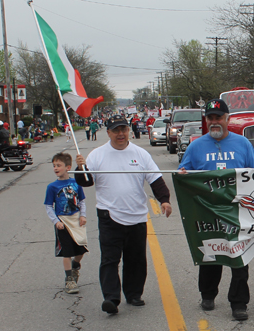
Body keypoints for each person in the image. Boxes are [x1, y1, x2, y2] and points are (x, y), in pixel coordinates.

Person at [75, 114, 172, 315]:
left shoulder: (141, 154)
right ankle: (111, 298)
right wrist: (80, 168)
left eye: (124, 129)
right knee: (110, 259)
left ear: (128, 130)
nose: (121, 134)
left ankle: (134, 294)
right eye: (116, 130)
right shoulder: (97, 155)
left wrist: (164, 200)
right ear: (108, 132)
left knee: (136, 259)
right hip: (109, 215)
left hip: (136, 215)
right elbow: (86, 181)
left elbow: (155, 179)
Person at [178, 99, 254, 321]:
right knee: (211, 254)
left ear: (228, 119)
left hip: (237, 211)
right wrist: (183, 174)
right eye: (210, 118)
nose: (214, 122)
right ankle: (207, 294)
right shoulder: (196, 146)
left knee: (239, 257)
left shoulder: (242, 144)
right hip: (207, 210)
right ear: (206, 121)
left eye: (218, 117)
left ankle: (239, 303)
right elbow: (182, 172)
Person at [44, 153, 88, 294]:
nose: (55, 168)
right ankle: (69, 280)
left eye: (58, 165)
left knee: (81, 247)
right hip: (63, 221)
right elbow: (48, 206)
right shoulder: (52, 187)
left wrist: (83, 215)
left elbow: (81, 201)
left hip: (76, 219)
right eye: (54, 166)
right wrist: (56, 221)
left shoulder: (76, 183)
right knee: (67, 252)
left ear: (68, 167)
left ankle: (76, 265)